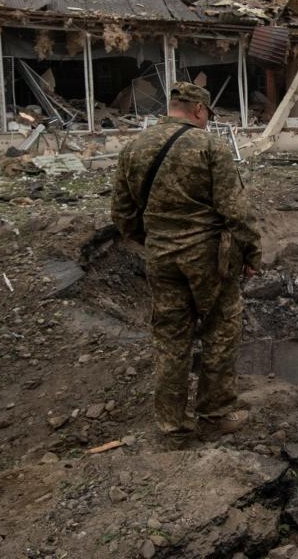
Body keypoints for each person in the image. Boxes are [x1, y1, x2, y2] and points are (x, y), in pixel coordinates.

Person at [110, 82, 261, 435]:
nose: (207, 121)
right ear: (197, 110)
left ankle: (172, 425)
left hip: (161, 258)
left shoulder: (133, 147)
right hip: (209, 260)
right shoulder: (210, 146)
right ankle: (215, 415)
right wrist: (251, 252)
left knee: (171, 338)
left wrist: (154, 240)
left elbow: (122, 213)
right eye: (207, 115)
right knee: (220, 331)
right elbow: (235, 210)